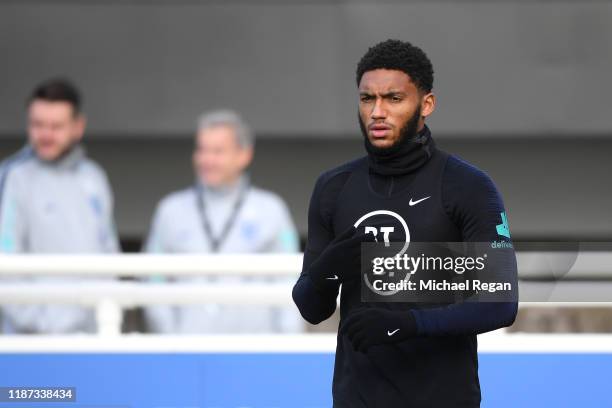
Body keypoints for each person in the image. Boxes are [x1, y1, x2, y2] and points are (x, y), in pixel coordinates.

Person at [292, 40, 518, 407]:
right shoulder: (334, 187)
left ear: (426, 104)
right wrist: (330, 268)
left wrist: (408, 323)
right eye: (368, 99)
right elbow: (310, 308)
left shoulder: (467, 186)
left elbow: (500, 304)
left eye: (393, 99)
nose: (377, 112)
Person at [144, 109, 302, 333]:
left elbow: (291, 282)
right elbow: (153, 281)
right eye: (201, 150)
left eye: (217, 151)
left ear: (244, 155)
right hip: (185, 352)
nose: (207, 159)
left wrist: (286, 348)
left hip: (254, 352)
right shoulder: (170, 210)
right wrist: (170, 340)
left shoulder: (271, 210)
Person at [0, 78, 120, 334]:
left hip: (88, 335)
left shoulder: (94, 178)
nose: (45, 135)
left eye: (56, 126)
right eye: (37, 125)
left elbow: (108, 251)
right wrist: (42, 323)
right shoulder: (13, 177)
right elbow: (6, 260)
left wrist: (104, 317)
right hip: (31, 341)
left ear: (78, 127)